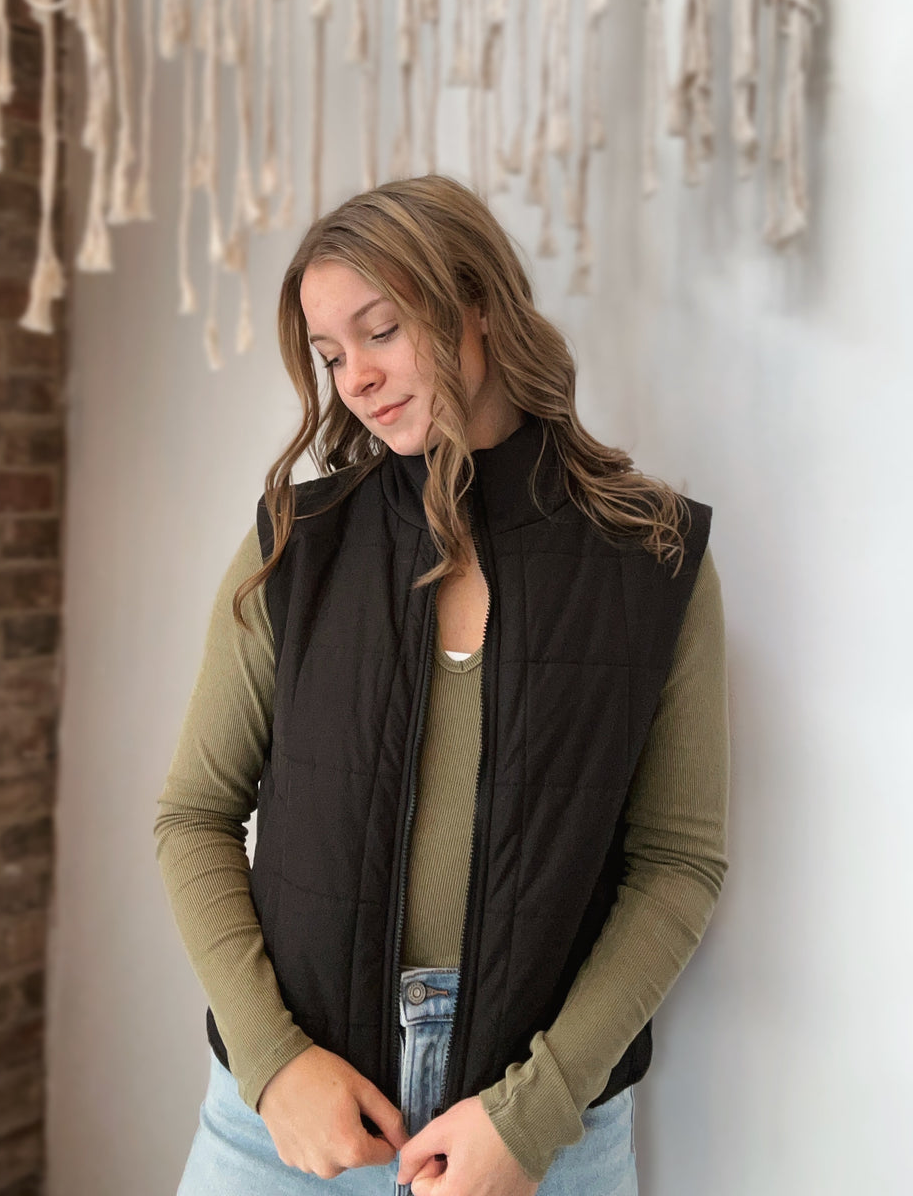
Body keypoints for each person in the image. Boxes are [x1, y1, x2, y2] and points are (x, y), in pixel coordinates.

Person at [154, 174, 729, 1196]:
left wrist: (537, 1113)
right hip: (285, 1134)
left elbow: (677, 864)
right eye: (333, 356)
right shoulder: (298, 547)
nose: (357, 380)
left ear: (475, 303)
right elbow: (193, 815)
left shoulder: (652, 557)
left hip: (543, 1139)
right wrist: (274, 1062)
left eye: (380, 331)